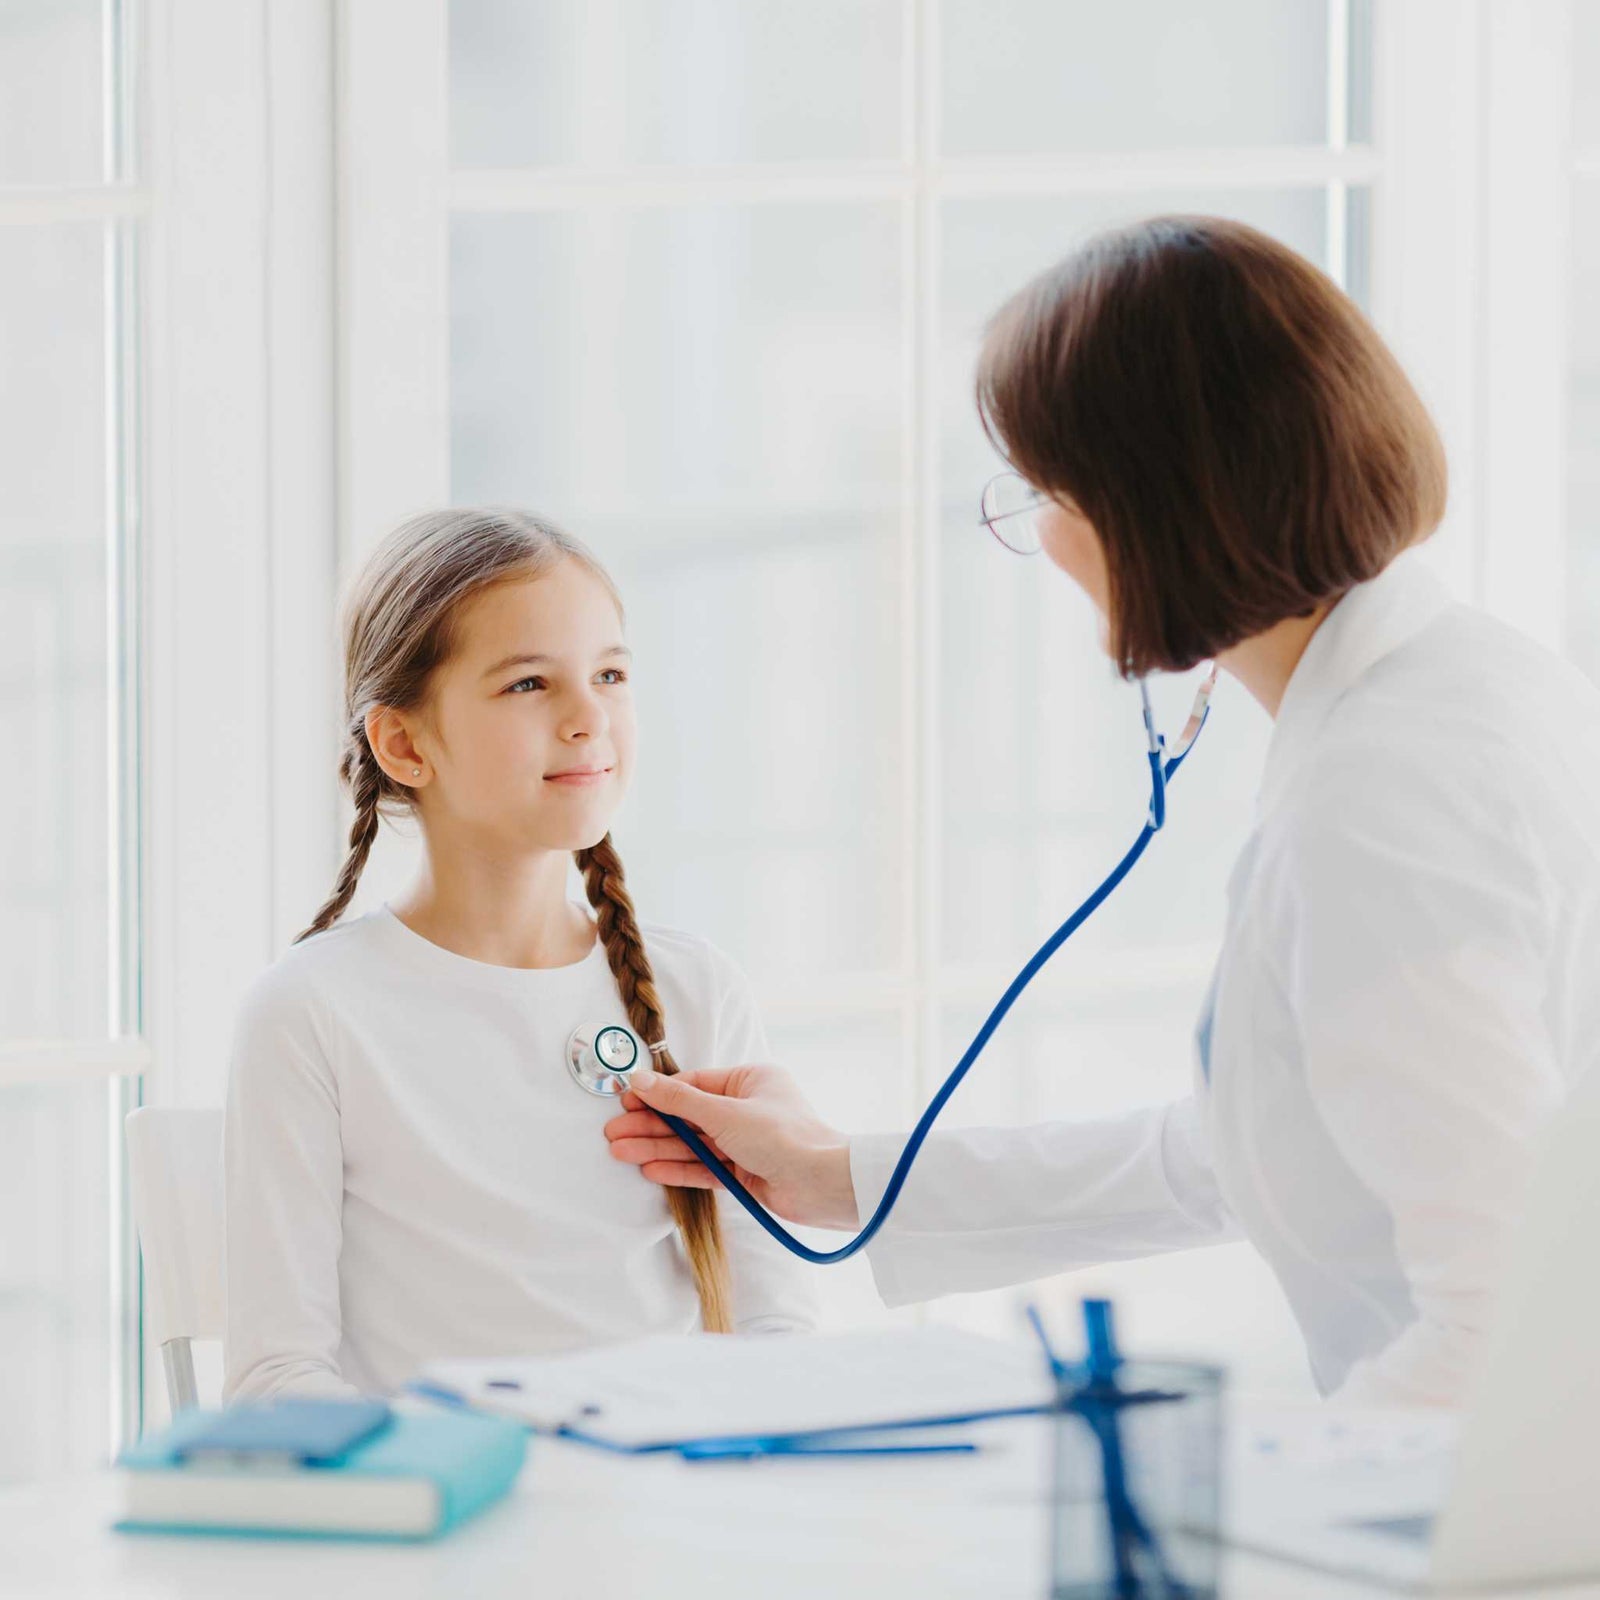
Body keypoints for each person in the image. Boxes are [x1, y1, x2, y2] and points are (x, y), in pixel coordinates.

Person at [604, 215, 1600, 1408]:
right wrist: (842, 1177)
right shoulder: (1466, 680)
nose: (1039, 534)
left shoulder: (1377, 801)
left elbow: (1504, 1325)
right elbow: (1251, 1148)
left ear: (1153, 504)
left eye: (1043, 488)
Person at [223, 508, 816, 1401]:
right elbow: (277, 1376)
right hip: (444, 1514)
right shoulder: (313, 1013)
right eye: (530, 684)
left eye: (610, 674)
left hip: (667, 1502)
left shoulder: (696, 990)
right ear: (405, 744)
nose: (589, 717)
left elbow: (778, 1324)